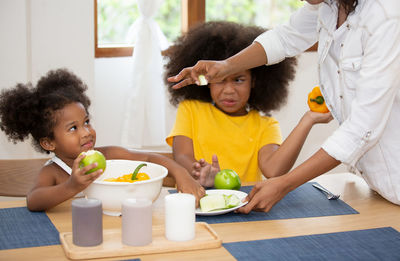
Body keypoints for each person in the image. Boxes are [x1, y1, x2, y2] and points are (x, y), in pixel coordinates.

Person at [168, 0, 400, 212]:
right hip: (377, 186)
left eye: (239, 80)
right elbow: (283, 38)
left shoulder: (386, 16)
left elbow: (362, 128)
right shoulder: (328, 6)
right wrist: (226, 67)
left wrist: (285, 185)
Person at [0, 68, 205, 211]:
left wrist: (181, 174)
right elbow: (33, 201)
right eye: (73, 128)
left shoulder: (108, 155)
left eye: (86, 122)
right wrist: (72, 186)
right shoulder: (53, 172)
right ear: (48, 143)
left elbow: (150, 159)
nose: (86, 132)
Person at [164, 21, 332, 188]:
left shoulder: (266, 126)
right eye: (220, 80)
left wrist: (308, 120)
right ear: (207, 82)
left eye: (238, 80)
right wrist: (201, 171)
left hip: (246, 208)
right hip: (199, 202)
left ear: (254, 81)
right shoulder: (191, 110)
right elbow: (182, 156)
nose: (229, 90)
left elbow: (273, 171)